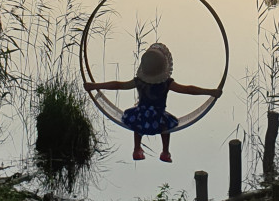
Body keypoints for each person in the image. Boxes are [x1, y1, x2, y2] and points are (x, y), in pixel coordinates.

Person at [85, 42, 222, 162]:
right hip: (158, 121)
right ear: (164, 68)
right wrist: (210, 92)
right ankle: (165, 152)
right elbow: (187, 89)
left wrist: (95, 86)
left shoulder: (139, 81)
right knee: (167, 126)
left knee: (136, 122)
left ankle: (137, 149)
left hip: (141, 117)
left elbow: (117, 85)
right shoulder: (167, 83)